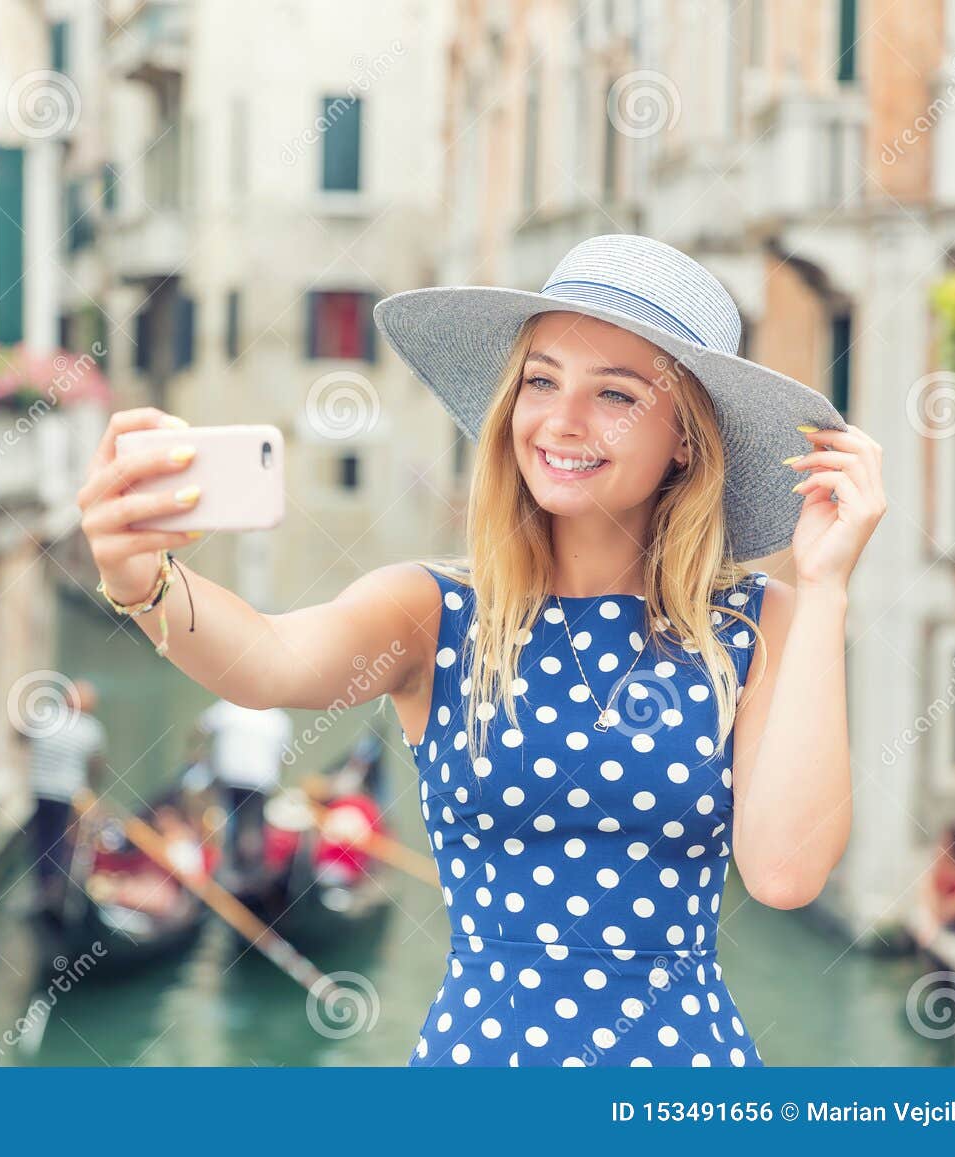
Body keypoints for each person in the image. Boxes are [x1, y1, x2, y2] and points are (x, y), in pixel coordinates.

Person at [77, 233, 886, 1067]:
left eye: (616, 394)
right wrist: (140, 575)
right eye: (542, 380)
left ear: (686, 438)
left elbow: (786, 874)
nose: (561, 421)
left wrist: (826, 587)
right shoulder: (435, 610)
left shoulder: (761, 622)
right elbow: (269, 661)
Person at [24, 678, 107, 913]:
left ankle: (45, 887)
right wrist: (93, 794)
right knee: (64, 840)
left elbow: (21, 734)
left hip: (40, 789)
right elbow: (96, 766)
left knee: (43, 839)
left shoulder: (45, 716)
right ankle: (57, 890)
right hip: (68, 793)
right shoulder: (90, 729)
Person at [194, 698, 291, 880]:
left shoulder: (228, 707)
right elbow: (283, 759)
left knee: (226, 823)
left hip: (230, 777)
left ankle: (226, 870)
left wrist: (199, 758)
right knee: (252, 828)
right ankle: (250, 871)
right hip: (259, 781)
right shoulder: (279, 719)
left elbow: (200, 728)